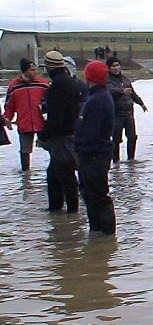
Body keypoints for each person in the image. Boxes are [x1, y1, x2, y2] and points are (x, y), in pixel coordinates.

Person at [74, 60, 116, 235]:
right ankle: (97, 234)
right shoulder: (98, 97)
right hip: (95, 154)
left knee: (98, 195)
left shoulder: (97, 100)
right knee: (91, 196)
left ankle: (105, 236)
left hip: (94, 156)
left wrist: (83, 152)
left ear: (88, 77)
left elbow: (92, 131)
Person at [38, 51, 81, 213]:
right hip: (71, 134)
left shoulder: (56, 87)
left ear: (49, 67)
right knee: (55, 175)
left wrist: (43, 136)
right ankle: (58, 213)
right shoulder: (71, 83)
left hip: (61, 138)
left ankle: (70, 215)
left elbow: (55, 118)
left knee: (65, 176)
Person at [3, 58, 49, 170]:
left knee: (50, 148)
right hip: (24, 123)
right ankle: (26, 175)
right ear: (25, 71)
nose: (35, 72)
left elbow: (51, 102)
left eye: (35, 69)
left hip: (42, 123)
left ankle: (50, 173)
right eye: (32, 70)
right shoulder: (14, 86)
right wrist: (7, 119)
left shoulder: (43, 84)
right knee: (25, 151)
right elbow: (9, 106)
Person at [107, 58, 147, 162]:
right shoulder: (107, 80)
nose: (116, 68)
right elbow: (110, 91)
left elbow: (132, 93)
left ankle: (131, 160)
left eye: (117, 65)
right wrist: (121, 91)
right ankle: (115, 162)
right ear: (109, 68)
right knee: (116, 140)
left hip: (129, 113)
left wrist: (141, 103)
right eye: (113, 66)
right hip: (116, 114)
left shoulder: (125, 79)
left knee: (132, 137)